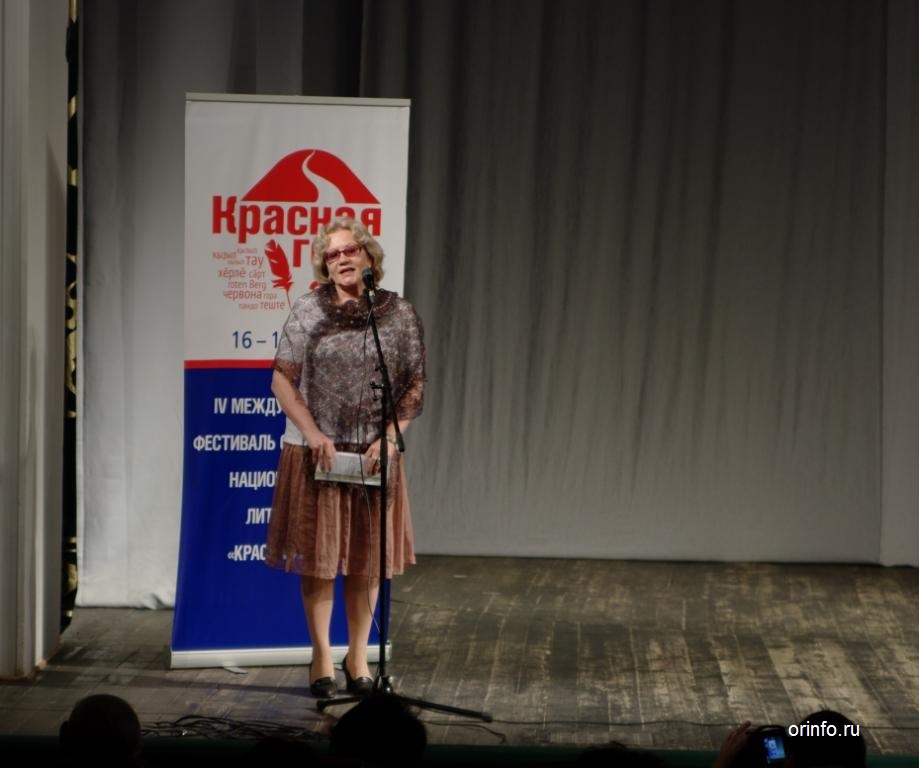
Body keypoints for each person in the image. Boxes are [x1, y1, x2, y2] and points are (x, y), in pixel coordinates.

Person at [265, 217, 426, 699]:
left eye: (349, 250)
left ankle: (358, 656)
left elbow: (414, 384)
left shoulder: (398, 314)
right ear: (324, 265)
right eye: (331, 254)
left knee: (365, 559)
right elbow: (281, 379)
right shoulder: (308, 309)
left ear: (368, 255)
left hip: (373, 454)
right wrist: (312, 433)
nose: (341, 259)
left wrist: (390, 438)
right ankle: (321, 655)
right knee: (319, 561)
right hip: (318, 452)